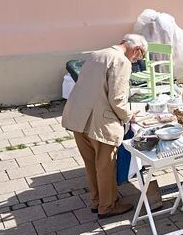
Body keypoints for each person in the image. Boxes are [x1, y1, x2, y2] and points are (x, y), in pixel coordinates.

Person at [61, 35, 147, 219]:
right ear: (137, 50)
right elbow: (117, 99)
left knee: (91, 163)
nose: (137, 60)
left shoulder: (96, 54)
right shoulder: (122, 61)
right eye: (139, 57)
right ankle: (107, 207)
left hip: (78, 117)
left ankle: (96, 201)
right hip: (99, 122)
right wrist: (128, 116)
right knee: (105, 165)